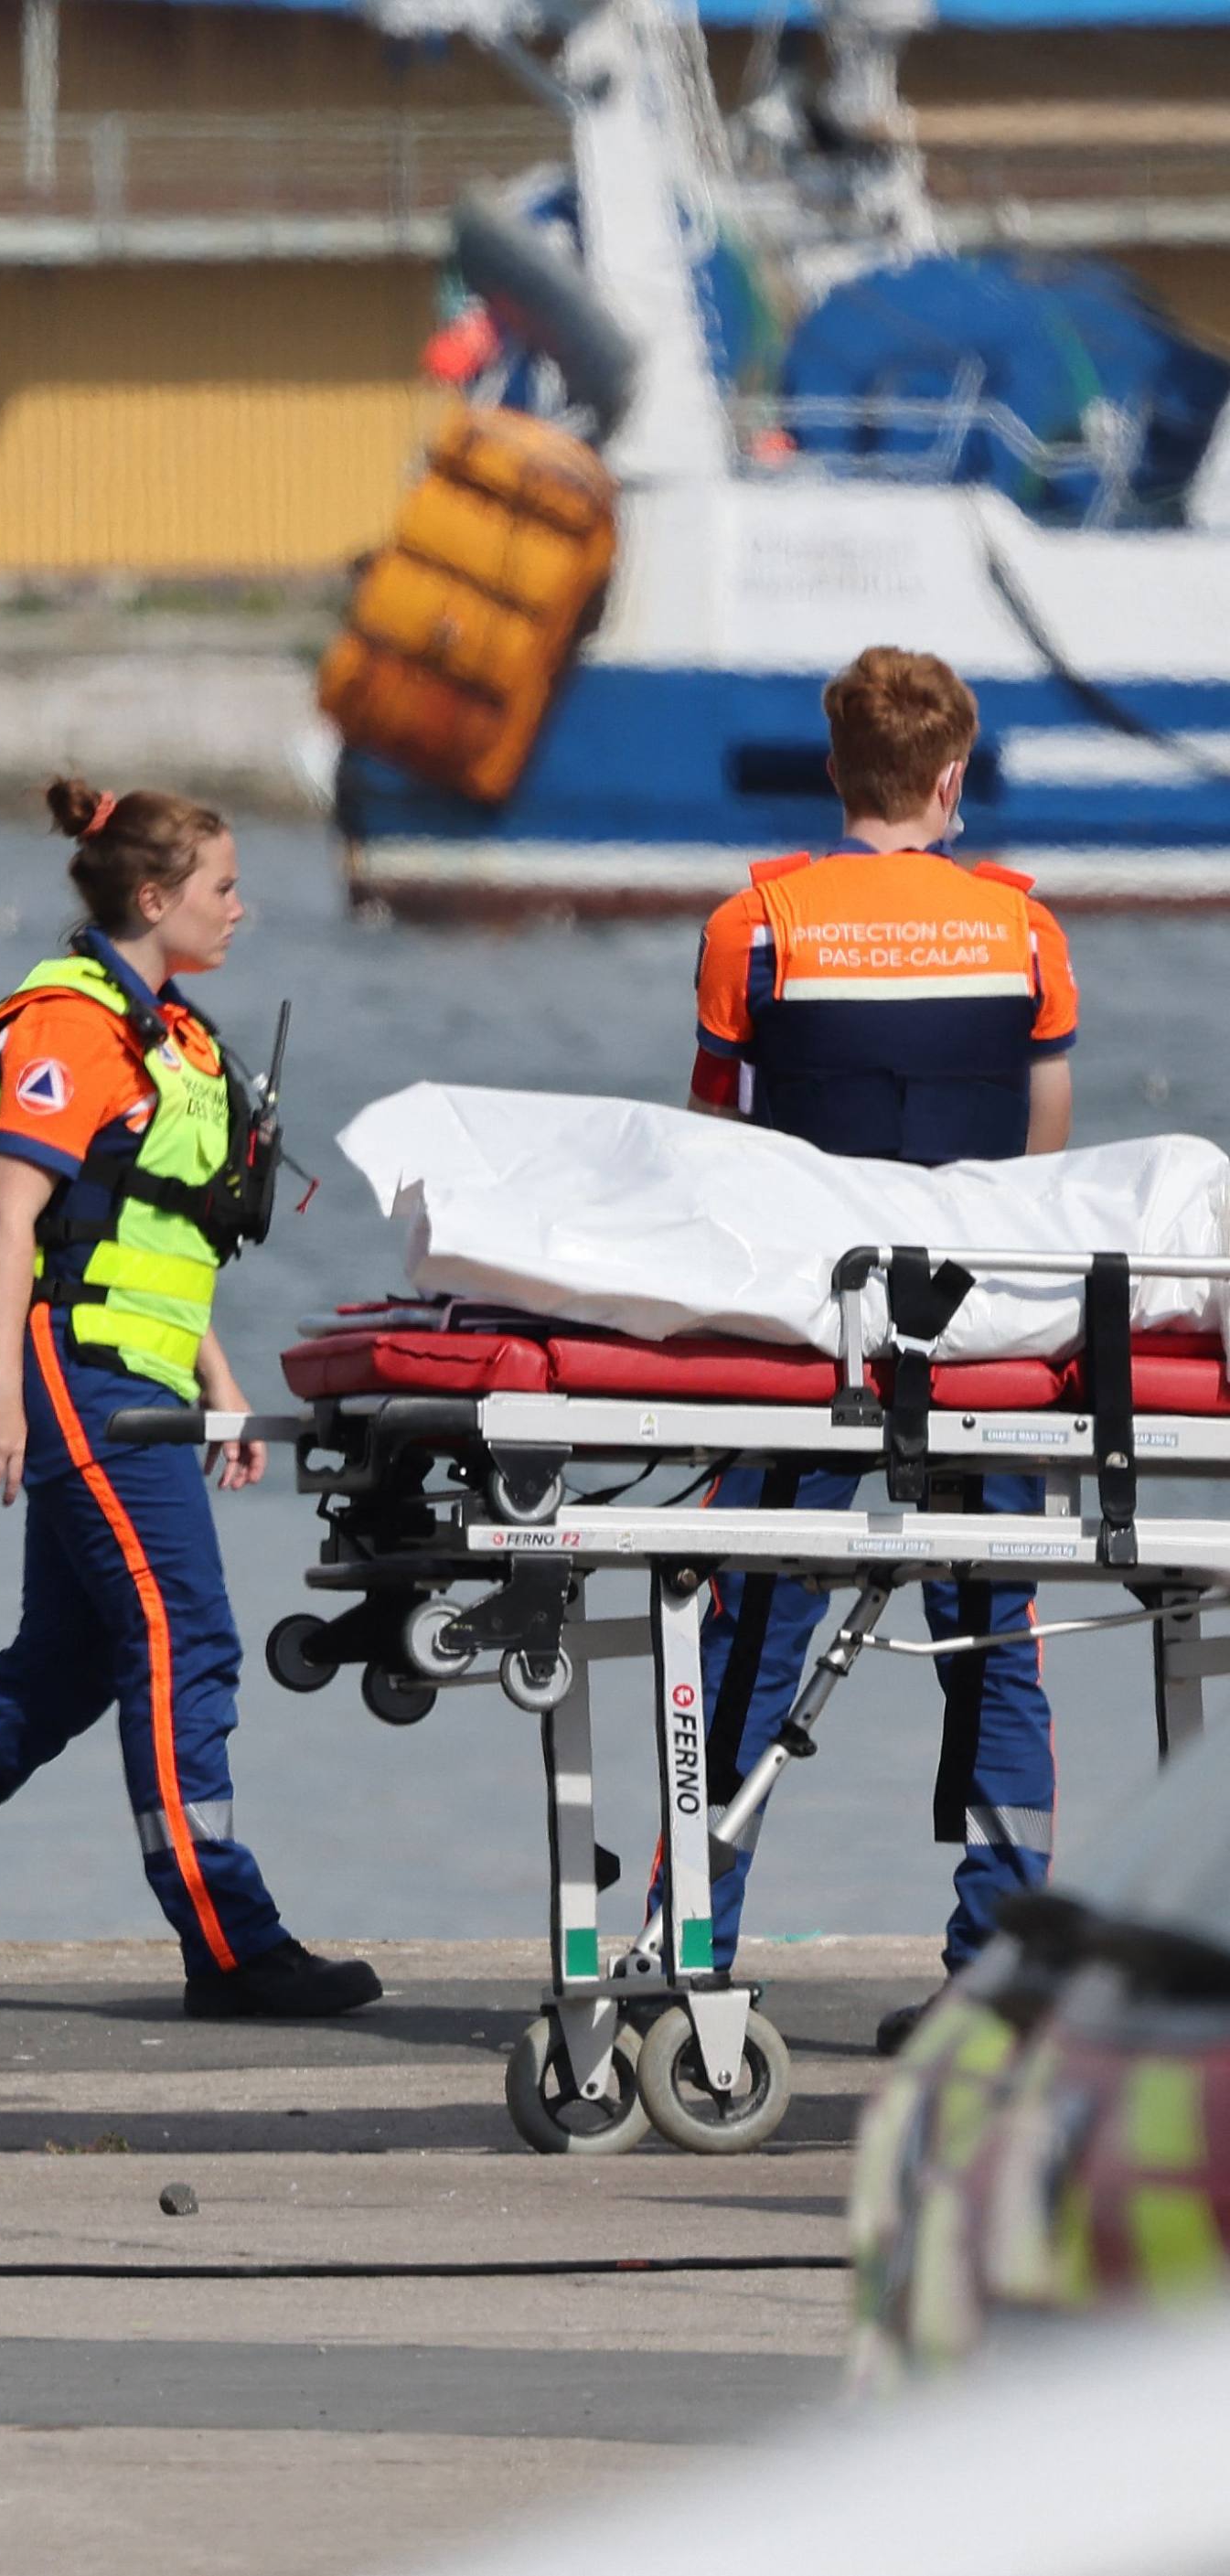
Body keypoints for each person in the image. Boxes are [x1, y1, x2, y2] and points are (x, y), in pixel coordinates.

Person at [0, 779, 382, 2022]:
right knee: (187, 1637)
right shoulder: (75, 1022)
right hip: (78, 1376)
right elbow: (12, 1213)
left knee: (67, 1662)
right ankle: (229, 1938)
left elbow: (146, 1227)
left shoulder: (176, 1034)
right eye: (222, 886)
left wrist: (217, 1377)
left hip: (147, 1377)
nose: (242, 905)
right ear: (154, 899)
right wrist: (1, 1393)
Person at [681, 646, 1077, 2052]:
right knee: (1001, 1637)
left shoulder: (759, 928)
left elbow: (717, 1142)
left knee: (752, 1631)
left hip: (812, 1339)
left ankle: (699, 1946)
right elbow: (1043, 1152)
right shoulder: (1024, 934)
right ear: (953, 781)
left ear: (839, 773)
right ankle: (1003, 1965)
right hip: (979, 1342)